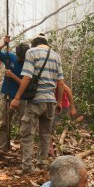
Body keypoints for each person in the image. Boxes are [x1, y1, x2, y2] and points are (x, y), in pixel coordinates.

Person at [10, 33, 65, 173]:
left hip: (35, 101)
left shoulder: (31, 52)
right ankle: (42, 163)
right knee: (45, 135)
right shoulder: (56, 56)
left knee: (28, 134)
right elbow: (61, 82)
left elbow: (27, 77)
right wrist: (58, 102)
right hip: (50, 102)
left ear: (34, 44)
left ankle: (28, 167)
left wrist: (17, 98)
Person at [0, 36, 30, 154]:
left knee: (25, 126)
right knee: (4, 123)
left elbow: (26, 84)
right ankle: (3, 148)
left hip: (23, 99)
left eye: (24, 58)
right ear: (17, 54)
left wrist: (13, 76)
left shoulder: (30, 64)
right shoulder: (10, 57)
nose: (22, 59)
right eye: (20, 57)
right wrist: (3, 44)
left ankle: (24, 151)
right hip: (8, 96)